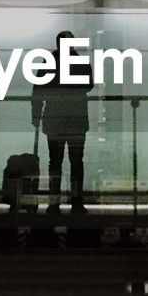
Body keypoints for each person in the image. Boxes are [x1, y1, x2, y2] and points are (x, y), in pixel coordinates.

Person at [30, 30, 93, 215]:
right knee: (76, 163)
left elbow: (38, 90)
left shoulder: (49, 62)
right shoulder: (80, 61)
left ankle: (54, 202)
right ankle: (76, 201)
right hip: (76, 119)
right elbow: (88, 85)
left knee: (55, 163)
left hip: (55, 119)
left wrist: (36, 116)